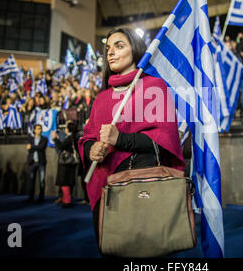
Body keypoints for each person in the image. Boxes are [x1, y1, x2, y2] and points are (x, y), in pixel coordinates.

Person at [77, 28, 185, 245]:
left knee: (143, 252)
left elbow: (166, 141)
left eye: (119, 46)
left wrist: (121, 139)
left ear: (135, 50)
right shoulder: (101, 98)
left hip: (143, 187)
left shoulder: (154, 87)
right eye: (108, 48)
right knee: (111, 247)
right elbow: (87, 137)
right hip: (105, 186)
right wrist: (91, 149)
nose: (110, 53)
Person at [51, 121, 79, 208]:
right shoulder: (73, 137)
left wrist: (55, 138)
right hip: (70, 162)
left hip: (66, 162)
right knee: (67, 181)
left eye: (66, 127)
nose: (65, 129)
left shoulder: (70, 138)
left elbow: (61, 146)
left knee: (64, 181)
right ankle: (66, 199)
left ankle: (67, 201)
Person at [25, 124, 48, 203]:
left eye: (40, 129)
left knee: (42, 180)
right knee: (31, 181)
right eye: (38, 129)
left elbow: (41, 147)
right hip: (32, 162)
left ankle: (41, 197)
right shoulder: (30, 138)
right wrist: (33, 147)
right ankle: (31, 197)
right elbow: (29, 149)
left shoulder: (44, 139)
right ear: (34, 130)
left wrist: (32, 146)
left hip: (41, 162)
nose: (39, 130)